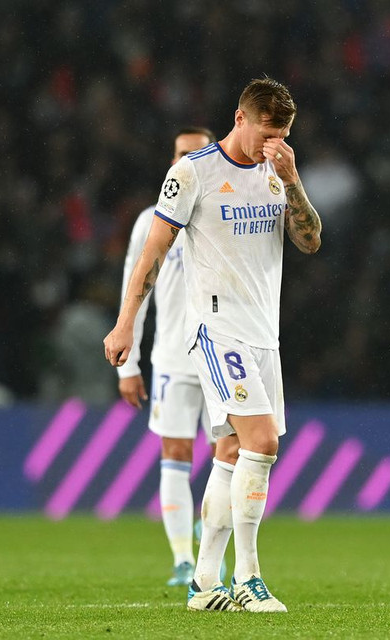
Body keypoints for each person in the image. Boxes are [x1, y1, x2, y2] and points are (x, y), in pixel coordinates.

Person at [104, 77, 322, 613]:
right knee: (263, 443)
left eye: (285, 134)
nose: (274, 143)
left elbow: (311, 239)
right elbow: (153, 250)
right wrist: (126, 321)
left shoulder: (279, 173)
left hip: (263, 335)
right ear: (240, 118)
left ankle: (204, 583)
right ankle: (248, 577)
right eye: (268, 132)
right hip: (216, 331)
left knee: (230, 453)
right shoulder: (193, 173)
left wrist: (291, 180)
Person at [116, 126, 217, 587]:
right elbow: (133, 290)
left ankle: (214, 555)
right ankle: (181, 558)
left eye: (198, 153)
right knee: (174, 454)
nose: (188, 161)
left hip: (222, 354)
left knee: (230, 456)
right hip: (174, 357)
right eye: (181, 154)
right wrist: (130, 364)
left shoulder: (226, 213)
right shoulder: (150, 221)